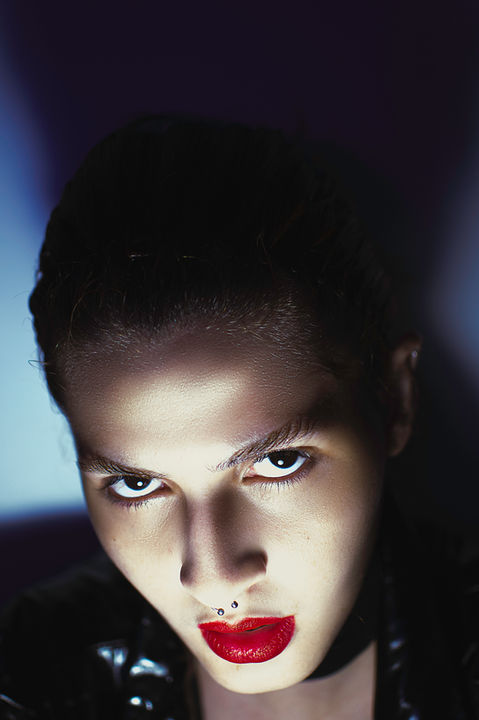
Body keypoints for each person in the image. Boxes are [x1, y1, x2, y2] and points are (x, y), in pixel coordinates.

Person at [0, 115, 477, 719]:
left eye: (278, 462)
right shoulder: (29, 677)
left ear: (395, 401)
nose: (215, 579)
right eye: (136, 484)